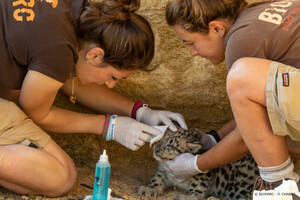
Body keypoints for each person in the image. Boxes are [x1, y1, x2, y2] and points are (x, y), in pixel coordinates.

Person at [0, 0, 187, 197]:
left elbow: (62, 78)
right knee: (61, 177)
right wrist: (109, 126)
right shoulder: (58, 49)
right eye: (113, 77)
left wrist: (140, 111)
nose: (110, 84)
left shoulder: (76, 15)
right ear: (96, 55)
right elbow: (38, 113)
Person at [163, 0, 300, 190]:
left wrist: (194, 165)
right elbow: (259, 114)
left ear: (217, 29)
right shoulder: (259, 12)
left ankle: (280, 188)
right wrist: (214, 139)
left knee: (241, 76)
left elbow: (246, 138)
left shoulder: (240, 42)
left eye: (191, 43)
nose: (192, 52)